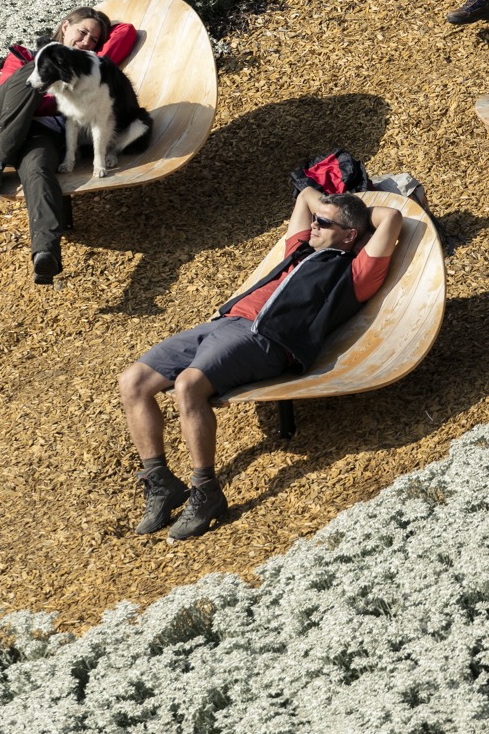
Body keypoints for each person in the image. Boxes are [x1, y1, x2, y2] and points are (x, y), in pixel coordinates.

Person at [118, 186, 403, 541]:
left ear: (349, 236)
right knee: (133, 381)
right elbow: (304, 196)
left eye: (323, 223)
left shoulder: (354, 273)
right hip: (223, 323)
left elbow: (390, 217)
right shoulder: (300, 249)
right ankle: (160, 483)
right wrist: (331, 211)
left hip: (264, 338)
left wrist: (354, 214)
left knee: (188, 386)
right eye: (315, 221)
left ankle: (206, 491)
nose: (313, 225)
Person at [0, 7, 137, 284]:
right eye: (82, 33)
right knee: (27, 77)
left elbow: (125, 32)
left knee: (38, 170)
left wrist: (80, 54)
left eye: (93, 40)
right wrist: (48, 65)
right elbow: (9, 94)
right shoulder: (23, 55)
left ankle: (45, 254)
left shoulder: (83, 65)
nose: (86, 42)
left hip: (38, 138)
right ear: (65, 25)